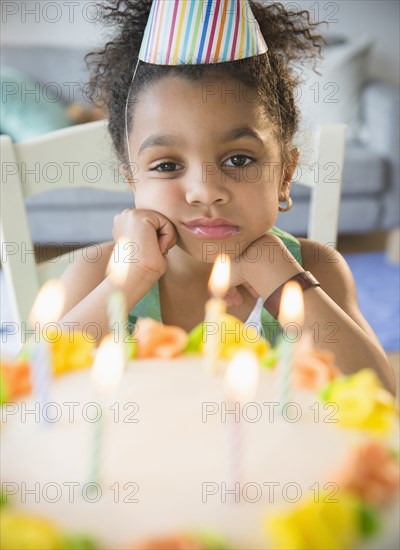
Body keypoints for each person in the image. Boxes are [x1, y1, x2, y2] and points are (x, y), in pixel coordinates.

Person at [58, 0, 395, 394]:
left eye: (238, 158)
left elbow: (381, 398)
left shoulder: (317, 267)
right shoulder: (99, 271)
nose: (205, 191)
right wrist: (131, 279)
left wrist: (282, 281)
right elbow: (35, 383)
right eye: (167, 165)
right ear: (134, 182)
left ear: (285, 173)